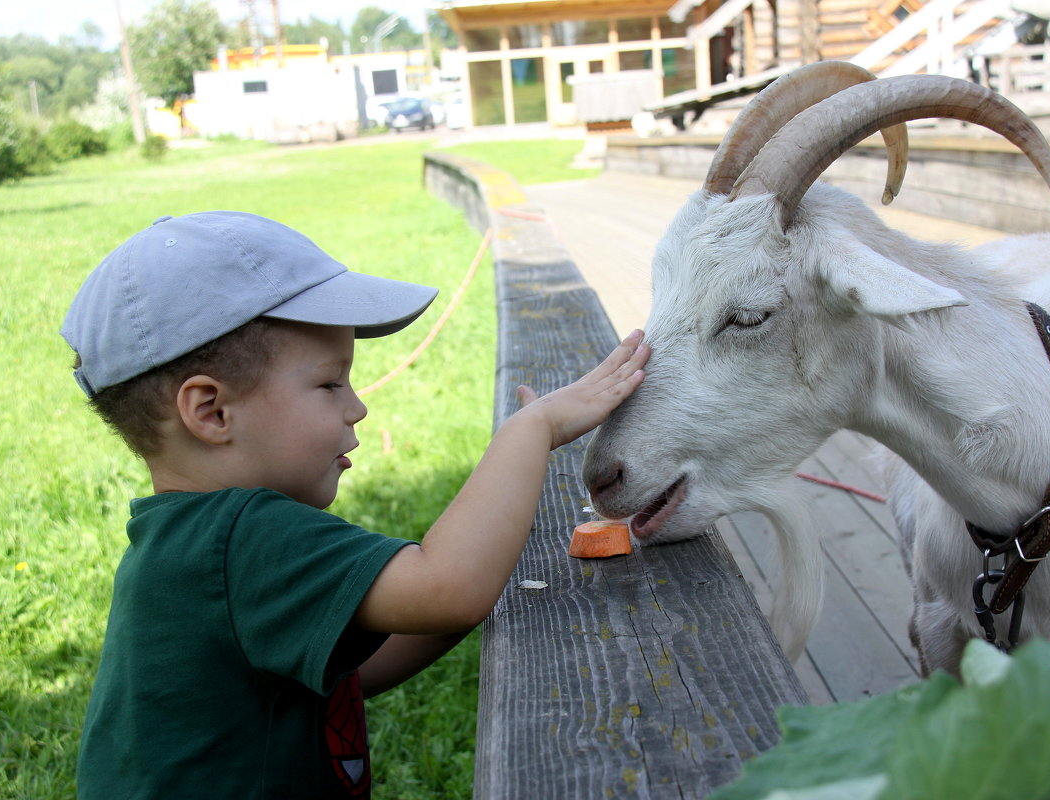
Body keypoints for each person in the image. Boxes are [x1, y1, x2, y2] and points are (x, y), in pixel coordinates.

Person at [61, 210, 649, 798]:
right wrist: (532, 430)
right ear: (212, 412)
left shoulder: (187, 544)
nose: (357, 406)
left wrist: (485, 564)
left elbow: (352, 673)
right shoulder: (241, 539)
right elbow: (446, 587)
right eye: (329, 383)